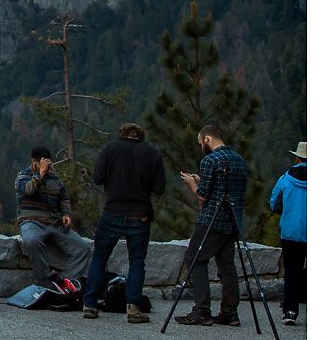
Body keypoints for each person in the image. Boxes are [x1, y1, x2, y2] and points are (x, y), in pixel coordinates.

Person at [82, 122, 165, 323]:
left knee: (100, 258)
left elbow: (98, 178)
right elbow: (159, 188)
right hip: (140, 215)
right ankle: (133, 308)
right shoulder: (152, 153)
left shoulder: (111, 148)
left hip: (112, 212)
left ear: (122, 135)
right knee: (137, 262)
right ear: (140, 136)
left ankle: (90, 304)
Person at [173, 124, 249, 327]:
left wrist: (192, 183)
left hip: (211, 220)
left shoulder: (210, 159)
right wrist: (202, 180)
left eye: (201, 143)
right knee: (227, 265)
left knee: (195, 258)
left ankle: (202, 310)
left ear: (207, 139)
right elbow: (227, 188)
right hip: (232, 220)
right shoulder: (239, 160)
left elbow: (203, 196)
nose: (201, 147)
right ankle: (229, 312)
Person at [16, 146, 91, 290]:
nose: (47, 167)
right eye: (43, 163)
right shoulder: (22, 176)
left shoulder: (55, 179)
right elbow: (28, 191)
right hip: (31, 221)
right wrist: (40, 174)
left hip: (54, 222)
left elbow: (63, 199)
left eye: (49, 164)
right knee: (31, 241)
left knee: (83, 248)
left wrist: (66, 214)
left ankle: (67, 282)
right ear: (34, 162)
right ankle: (44, 278)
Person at [270, 142, 306, 326]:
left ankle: (290, 311)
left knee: (292, 270)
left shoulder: (286, 179)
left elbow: (275, 204)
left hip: (291, 232)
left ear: (297, 158)